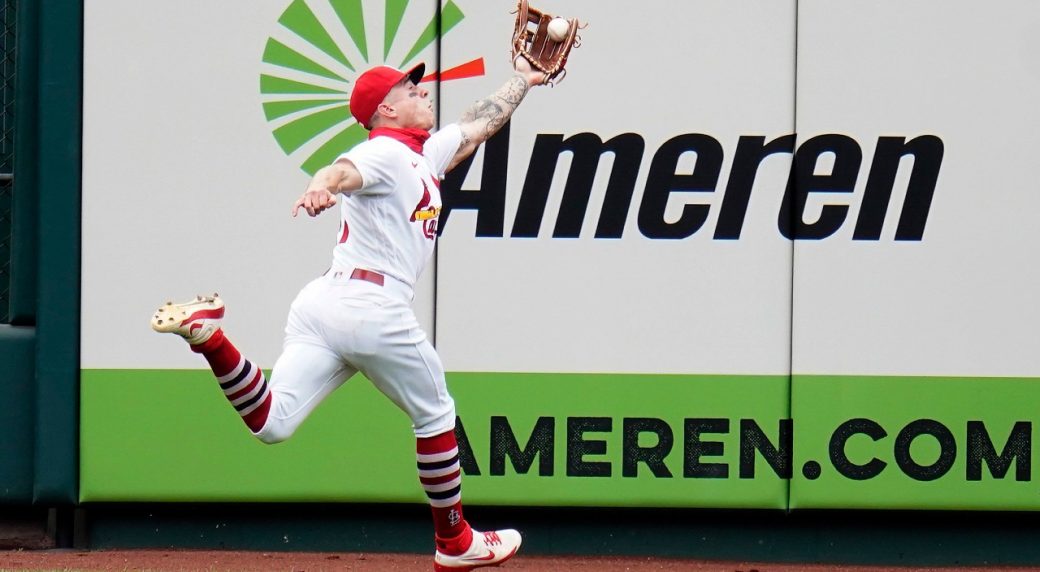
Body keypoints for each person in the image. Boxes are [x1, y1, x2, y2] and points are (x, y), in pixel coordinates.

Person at [151, 56, 549, 571]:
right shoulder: (381, 152)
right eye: (411, 89)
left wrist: (525, 80)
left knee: (273, 422)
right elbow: (342, 170)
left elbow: (480, 123)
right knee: (435, 414)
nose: (422, 93)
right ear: (386, 108)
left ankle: (209, 337)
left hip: (323, 304)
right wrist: (322, 184)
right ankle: (454, 543)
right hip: (372, 307)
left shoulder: (423, 153)